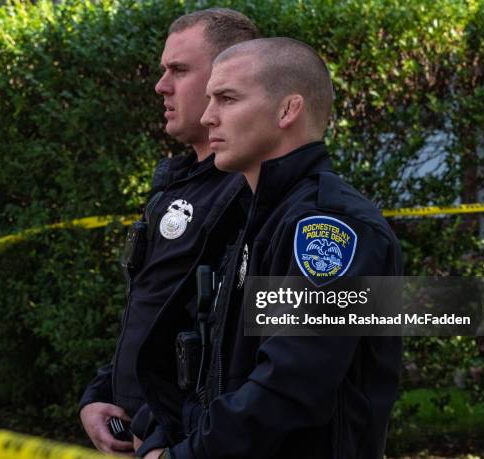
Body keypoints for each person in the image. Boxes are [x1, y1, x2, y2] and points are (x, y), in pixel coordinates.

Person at [139, 38, 403, 458]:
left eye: (226, 98)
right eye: (209, 99)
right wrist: (158, 433)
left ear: (287, 110)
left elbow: (288, 391)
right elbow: (210, 367)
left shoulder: (328, 228)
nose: (208, 117)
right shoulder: (252, 217)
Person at [78, 9, 259, 455]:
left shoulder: (251, 192)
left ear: (227, 80)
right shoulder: (180, 182)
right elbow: (156, 313)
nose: (161, 85)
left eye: (178, 70)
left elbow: (243, 354)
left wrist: (162, 433)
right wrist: (101, 393)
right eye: (164, 69)